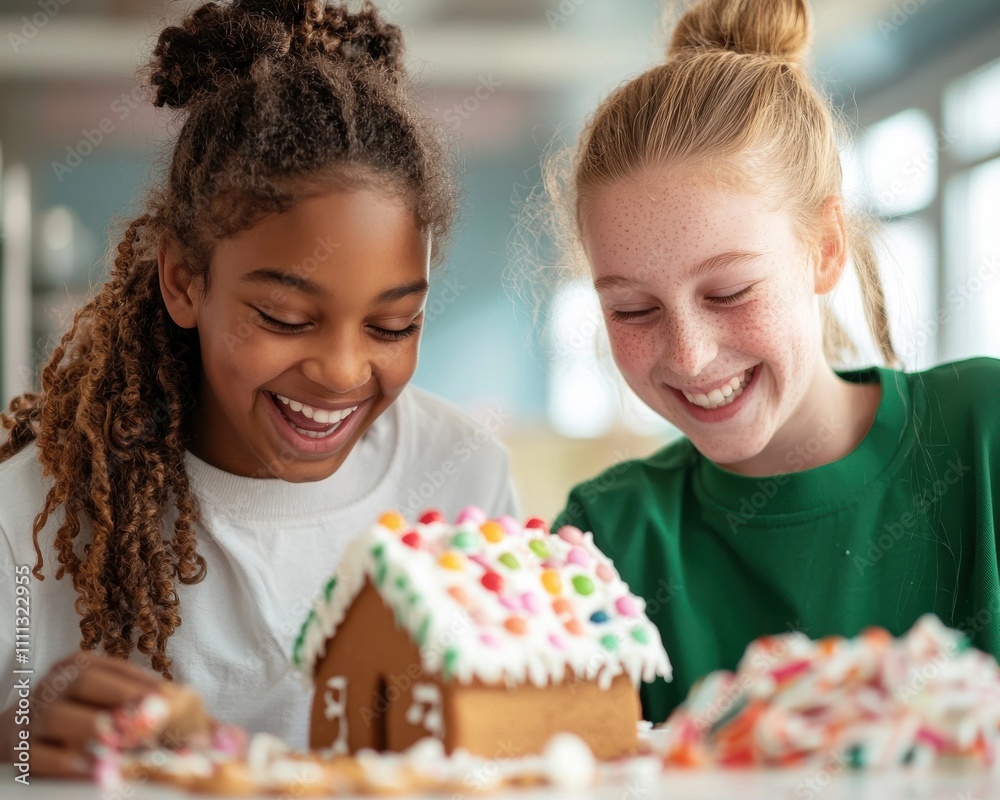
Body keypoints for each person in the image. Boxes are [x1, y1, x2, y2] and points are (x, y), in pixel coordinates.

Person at [0, 0, 517, 774]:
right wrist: (11, 733)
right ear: (183, 280)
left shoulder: (463, 478)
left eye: (393, 326)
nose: (342, 373)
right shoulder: (28, 519)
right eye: (283, 316)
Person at [550, 0, 1000, 725]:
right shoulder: (605, 541)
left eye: (728, 292)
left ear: (824, 249)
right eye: (633, 310)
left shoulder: (984, 433)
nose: (690, 355)